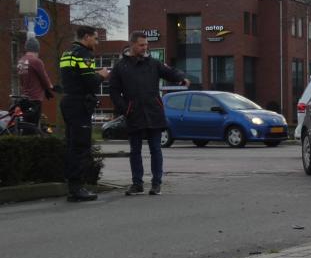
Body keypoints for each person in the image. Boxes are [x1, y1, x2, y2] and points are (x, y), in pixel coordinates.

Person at [109, 31, 189, 196]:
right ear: (132, 44)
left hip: (154, 112)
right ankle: (137, 184)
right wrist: (125, 109)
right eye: (141, 45)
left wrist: (181, 77)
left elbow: (170, 72)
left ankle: (156, 183)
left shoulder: (153, 63)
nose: (145, 48)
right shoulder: (120, 66)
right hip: (134, 113)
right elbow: (114, 91)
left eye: (146, 45)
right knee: (135, 150)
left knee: (155, 149)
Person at [59, 26, 109, 202]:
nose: (96, 42)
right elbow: (91, 83)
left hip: (68, 101)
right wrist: (102, 75)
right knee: (80, 146)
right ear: (86, 37)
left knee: (71, 144)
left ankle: (72, 185)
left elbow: (75, 77)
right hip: (79, 103)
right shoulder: (84, 54)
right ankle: (77, 188)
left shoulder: (67, 53)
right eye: (95, 39)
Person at [16, 38, 54, 127]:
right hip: (35, 99)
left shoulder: (21, 61)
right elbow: (44, 78)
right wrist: (51, 87)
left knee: (25, 125)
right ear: (37, 48)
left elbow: (21, 81)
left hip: (24, 98)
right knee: (33, 126)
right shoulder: (36, 61)